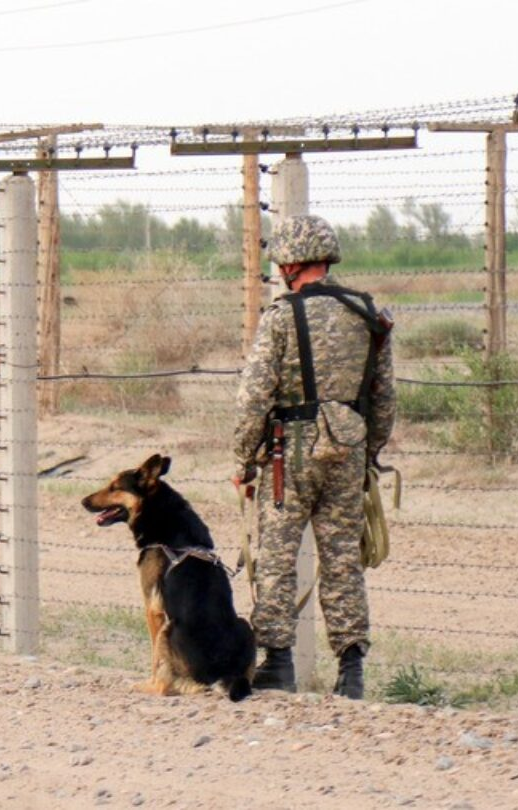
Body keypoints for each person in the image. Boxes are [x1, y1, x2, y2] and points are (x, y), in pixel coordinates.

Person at [231, 214, 396, 699]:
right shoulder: (370, 314)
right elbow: (384, 398)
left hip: (290, 455)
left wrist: (243, 459)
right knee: (344, 557)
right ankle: (351, 672)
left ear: (291, 263)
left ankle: (278, 664)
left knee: (278, 556)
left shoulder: (282, 317)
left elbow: (253, 397)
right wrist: (369, 452)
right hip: (349, 450)